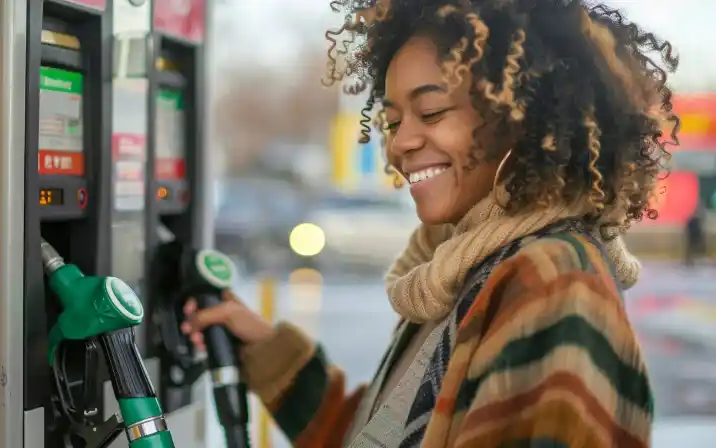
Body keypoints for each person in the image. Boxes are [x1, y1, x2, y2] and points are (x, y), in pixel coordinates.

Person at [182, 0, 679, 446]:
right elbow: (384, 435)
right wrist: (266, 350)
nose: (400, 143)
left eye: (432, 111)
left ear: (524, 117)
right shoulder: (466, 265)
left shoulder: (552, 281)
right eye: (395, 121)